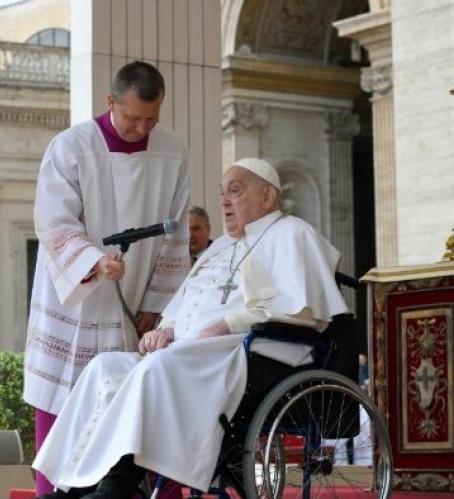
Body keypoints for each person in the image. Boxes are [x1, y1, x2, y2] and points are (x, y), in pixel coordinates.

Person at [33, 158, 348, 499]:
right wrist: (166, 329)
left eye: (236, 191)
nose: (225, 200)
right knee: (104, 368)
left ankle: (116, 489)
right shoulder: (221, 247)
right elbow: (185, 300)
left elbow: (301, 310)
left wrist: (226, 324)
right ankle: (76, 486)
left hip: (255, 351)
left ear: (269, 197)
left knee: (157, 369)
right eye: (222, 193)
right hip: (192, 351)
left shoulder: (293, 233)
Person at [24, 60, 191, 495]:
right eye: (133, 117)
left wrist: (157, 304)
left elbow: (176, 233)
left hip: (133, 301)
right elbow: (54, 221)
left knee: (125, 408)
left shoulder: (172, 150)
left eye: (151, 118)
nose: (141, 128)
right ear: (110, 101)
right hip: (74, 299)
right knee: (64, 404)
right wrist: (94, 262)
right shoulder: (71, 147)